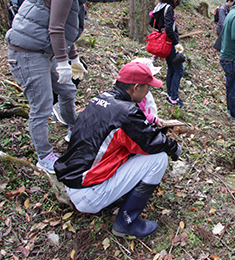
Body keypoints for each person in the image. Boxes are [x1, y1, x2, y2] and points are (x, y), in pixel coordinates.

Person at [54, 62, 182, 238]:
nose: (148, 92)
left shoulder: (101, 99)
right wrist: (174, 147)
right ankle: (126, 221)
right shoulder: (126, 111)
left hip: (74, 180)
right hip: (88, 192)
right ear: (136, 87)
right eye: (147, 88)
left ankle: (119, 196)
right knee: (159, 159)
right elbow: (152, 142)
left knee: (136, 152)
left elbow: (135, 138)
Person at [6, 0, 104, 174]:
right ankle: (44, 156)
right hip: (28, 55)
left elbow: (67, 30)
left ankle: (74, 129)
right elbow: (56, 29)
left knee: (67, 90)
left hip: (42, 52)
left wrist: (74, 58)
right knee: (42, 105)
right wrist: (63, 62)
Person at [149, 0, 185, 107]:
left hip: (164, 41)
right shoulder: (168, 8)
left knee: (171, 68)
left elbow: (151, 22)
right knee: (179, 70)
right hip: (170, 43)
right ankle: (174, 98)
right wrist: (176, 44)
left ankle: (170, 95)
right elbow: (169, 28)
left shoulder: (159, 6)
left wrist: (161, 28)